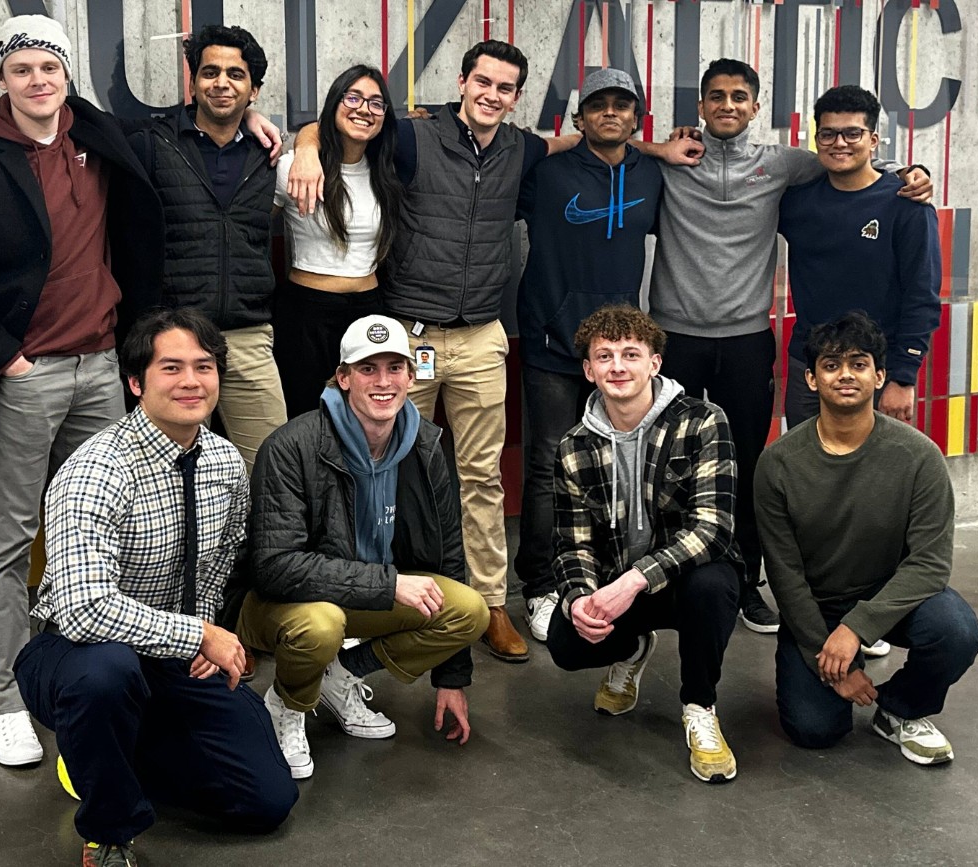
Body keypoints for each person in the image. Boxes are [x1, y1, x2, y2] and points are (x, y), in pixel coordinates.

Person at [288, 42, 703, 663]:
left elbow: (591, 140)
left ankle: (488, 604)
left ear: (516, 100)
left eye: (506, 88)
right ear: (462, 82)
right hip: (412, 333)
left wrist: (659, 150)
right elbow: (344, 120)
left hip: (482, 333)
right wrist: (301, 143)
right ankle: (380, 597)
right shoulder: (414, 136)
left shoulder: (521, 148)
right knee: (384, 468)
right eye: (483, 82)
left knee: (480, 475)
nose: (492, 95)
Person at [0, 14, 166, 767]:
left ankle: (93, 682)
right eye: (22, 68)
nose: (37, 81)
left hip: (102, 368)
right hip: (28, 376)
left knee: (103, 536)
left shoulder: (99, 142)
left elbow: (192, 130)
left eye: (49, 69)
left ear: (67, 76)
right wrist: (8, 359)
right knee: (6, 544)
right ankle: (5, 699)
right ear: (2, 78)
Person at [648, 58, 933, 636]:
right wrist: (659, 147)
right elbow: (611, 143)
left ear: (757, 108)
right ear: (700, 107)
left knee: (753, 466)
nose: (728, 105)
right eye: (716, 96)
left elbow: (860, 169)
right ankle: (666, 577)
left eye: (740, 97)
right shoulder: (676, 164)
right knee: (668, 464)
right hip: (674, 336)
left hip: (751, 339)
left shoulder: (786, 170)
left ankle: (747, 583)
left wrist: (914, 172)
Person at [15, 308, 298, 867]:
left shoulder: (224, 461)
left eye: (204, 366)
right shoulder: (97, 469)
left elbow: (219, 565)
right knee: (107, 676)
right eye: (171, 367)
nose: (191, 381)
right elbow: (83, 609)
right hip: (75, 655)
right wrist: (197, 634)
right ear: (136, 381)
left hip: (173, 655)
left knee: (268, 800)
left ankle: (107, 752)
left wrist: (200, 636)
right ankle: (110, 830)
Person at [238, 315, 490, 779]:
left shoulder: (428, 445)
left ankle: (340, 675)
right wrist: (389, 583)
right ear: (343, 377)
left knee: (469, 610)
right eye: (367, 368)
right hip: (282, 604)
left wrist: (451, 677)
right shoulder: (292, 446)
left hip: (365, 596)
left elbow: (450, 554)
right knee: (322, 624)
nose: (383, 381)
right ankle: (287, 703)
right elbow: (273, 566)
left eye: (395, 367)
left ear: (412, 378)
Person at [755, 312, 978, 764]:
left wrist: (857, 630)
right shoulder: (778, 464)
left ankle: (900, 710)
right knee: (815, 730)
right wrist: (832, 653)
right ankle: (833, 679)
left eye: (859, 364)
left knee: (955, 630)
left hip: (891, 598)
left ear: (879, 376)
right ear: (811, 378)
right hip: (816, 608)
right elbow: (785, 575)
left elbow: (930, 565)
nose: (845, 375)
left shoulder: (919, 457)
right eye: (831, 365)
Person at [547, 305, 742, 784]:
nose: (618, 366)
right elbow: (572, 545)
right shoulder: (574, 448)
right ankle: (631, 651)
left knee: (712, 586)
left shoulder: (702, 421)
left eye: (631, 354)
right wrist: (580, 599)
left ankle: (700, 706)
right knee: (566, 644)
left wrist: (634, 581)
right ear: (588, 370)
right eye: (605, 356)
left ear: (655, 363)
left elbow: (713, 529)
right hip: (619, 585)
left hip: (681, 580)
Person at [512, 67, 664, 643]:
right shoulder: (545, 174)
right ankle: (539, 586)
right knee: (550, 462)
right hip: (553, 340)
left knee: (620, 463)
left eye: (622, 105)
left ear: (635, 117)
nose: (610, 113)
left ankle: (606, 575)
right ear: (578, 118)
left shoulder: (654, 174)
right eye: (597, 104)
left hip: (621, 352)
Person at [122, 25, 286, 471]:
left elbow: (342, 137)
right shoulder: (153, 144)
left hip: (247, 336)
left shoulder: (269, 156)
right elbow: (75, 124)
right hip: (172, 340)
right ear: (192, 82)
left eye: (236, 74)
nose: (222, 83)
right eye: (210, 72)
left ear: (254, 90)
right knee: (166, 476)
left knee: (272, 472)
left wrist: (305, 141)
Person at [779, 85, 941, 429]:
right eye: (828, 134)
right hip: (810, 367)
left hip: (878, 370)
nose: (839, 143)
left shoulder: (906, 204)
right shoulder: (795, 203)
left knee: (876, 478)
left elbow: (922, 296)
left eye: (853, 133)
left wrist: (903, 377)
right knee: (805, 472)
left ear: (873, 140)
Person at [272, 65, 401, 419]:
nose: (364, 109)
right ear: (335, 103)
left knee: (365, 421)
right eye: (353, 97)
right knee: (305, 419)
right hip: (306, 314)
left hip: (369, 311)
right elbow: (249, 234)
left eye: (376, 103)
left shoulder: (386, 171)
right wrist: (304, 149)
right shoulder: (292, 168)